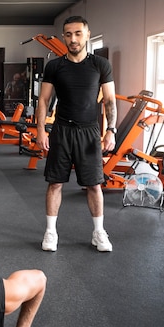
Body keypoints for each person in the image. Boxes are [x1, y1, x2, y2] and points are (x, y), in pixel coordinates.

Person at [35, 16, 117, 253]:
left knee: (94, 185)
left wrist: (111, 130)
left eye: (78, 33)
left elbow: (110, 100)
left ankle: (98, 232)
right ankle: (51, 231)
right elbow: (44, 99)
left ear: (87, 34)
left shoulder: (101, 65)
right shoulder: (55, 66)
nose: (73, 39)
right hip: (61, 130)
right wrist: (41, 129)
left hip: (90, 132)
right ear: (64, 37)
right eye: (69, 34)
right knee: (55, 183)